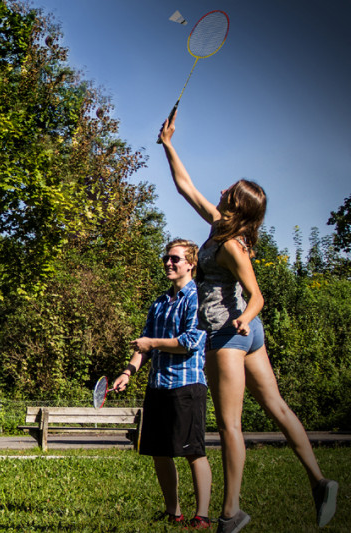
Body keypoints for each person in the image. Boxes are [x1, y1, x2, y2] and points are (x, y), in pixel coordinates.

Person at [159, 111, 338, 532]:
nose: (220, 189)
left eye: (229, 190)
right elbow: (185, 187)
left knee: (230, 425)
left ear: (236, 204)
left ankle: (230, 513)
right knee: (276, 406)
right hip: (243, 333)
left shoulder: (232, 247)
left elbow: (258, 295)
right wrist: (168, 144)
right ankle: (319, 481)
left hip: (230, 334)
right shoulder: (219, 228)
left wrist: (243, 318)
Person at [113, 238, 212, 529]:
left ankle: (202, 515)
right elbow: (143, 345)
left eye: (175, 259)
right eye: (166, 258)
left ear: (191, 263)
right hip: (158, 385)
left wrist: (152, 343)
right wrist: (128, 372)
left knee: (194, 451)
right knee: (159, 451)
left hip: (187, 385)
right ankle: (174, 512)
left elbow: (190, 343)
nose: (169, 263)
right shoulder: (159, 302)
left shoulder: (197, 298)